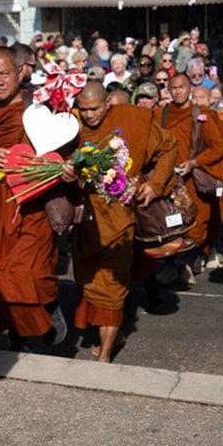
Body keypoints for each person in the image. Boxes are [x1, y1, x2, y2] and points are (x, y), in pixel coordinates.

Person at [0, 46, 67, 352]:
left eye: (4, 73)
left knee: (28, 272)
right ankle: (19, 338)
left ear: (20, 72)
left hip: (36, 203)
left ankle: (48, 304)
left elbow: (67, 146)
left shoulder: (40, 108)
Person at [63, 81, 176, 362]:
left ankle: (105, 357)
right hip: (87, 219)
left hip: (121, 218)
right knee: (87, 279)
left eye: (94, 109)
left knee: (112, 286)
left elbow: (169, 148)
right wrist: (65, 173)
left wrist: (156, 185)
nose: (89, 115)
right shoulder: (72, 126)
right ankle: (116, 336)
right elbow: (60, 160)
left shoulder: (132, 120)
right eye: (83, 109)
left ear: (108, 104)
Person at [161, 74, 223, 282]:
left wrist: (194, 162)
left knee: (196, 222)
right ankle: (173, 265)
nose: (178, 91)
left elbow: (217, 147)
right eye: (173, 88)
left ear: (189, 88)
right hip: (167, 177)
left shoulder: (202, 115)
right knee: (169, 223)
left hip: (191, 179)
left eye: (182, 87)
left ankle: (185, 264)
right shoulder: (161, 114)